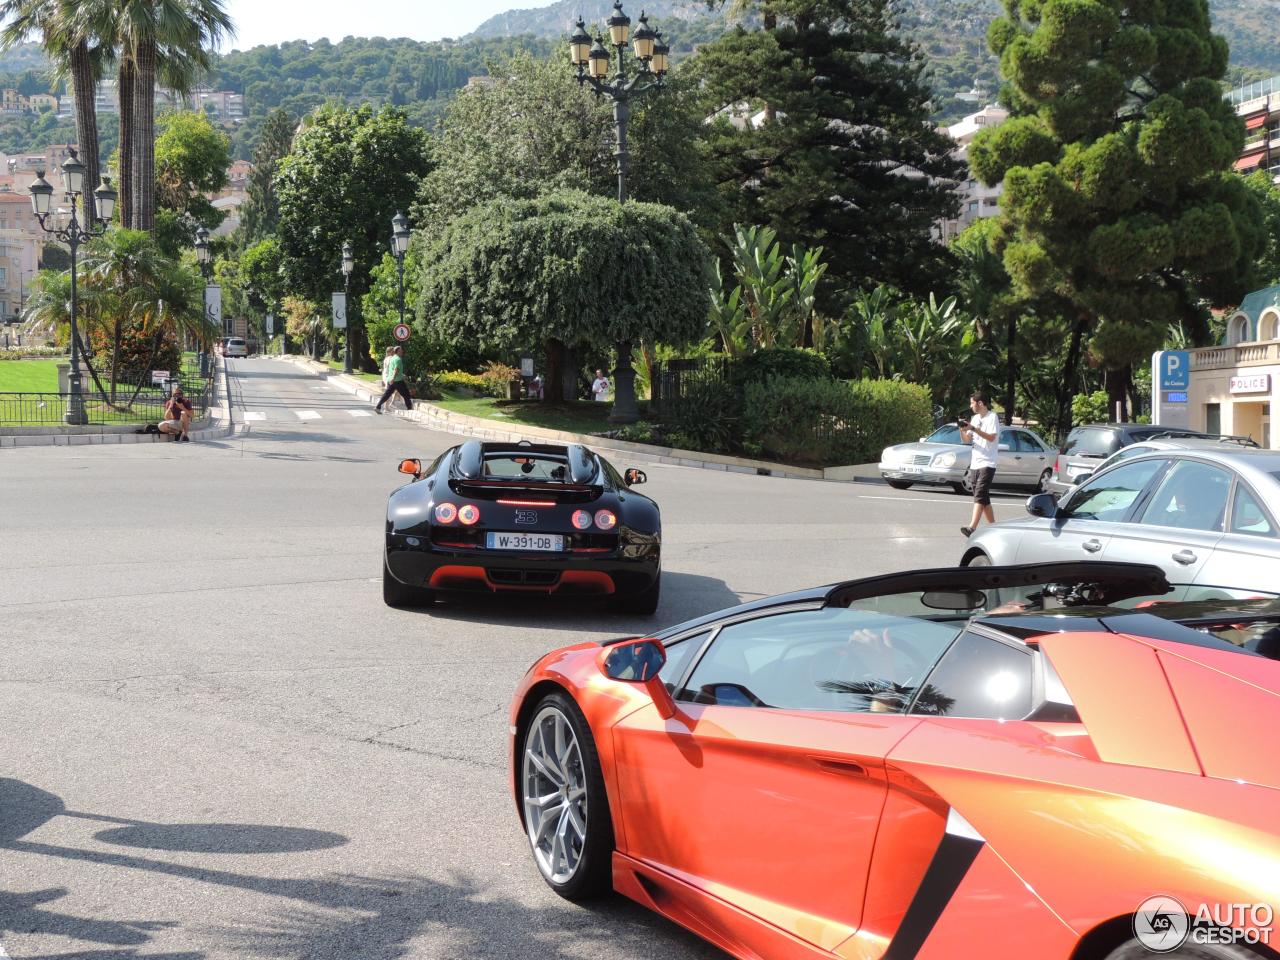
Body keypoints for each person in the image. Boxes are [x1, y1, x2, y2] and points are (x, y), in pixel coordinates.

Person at [959, 391, 1000, 537]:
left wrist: (974, 428)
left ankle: (972, 527)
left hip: (988, 462)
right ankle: (994, 527)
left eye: (972, 403)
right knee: (984, 498)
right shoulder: (975, 418)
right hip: (975, 463)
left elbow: (991, 437)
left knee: (980, 495)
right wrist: (962, 428)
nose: (970, 406)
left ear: (980, 403)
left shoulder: (992, 417)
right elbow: (966, 440)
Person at [375, 346, 413, 414]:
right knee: (406, 394)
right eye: (401, 350)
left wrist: (392, 378)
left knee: (387, 394)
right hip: (397, 380)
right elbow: (396, 370)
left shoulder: (392, 358)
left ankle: (378, 407)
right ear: (398, 351)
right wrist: (394, 378)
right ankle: (410, 408)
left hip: (391, 380)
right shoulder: (398, 359)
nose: (402, 352)